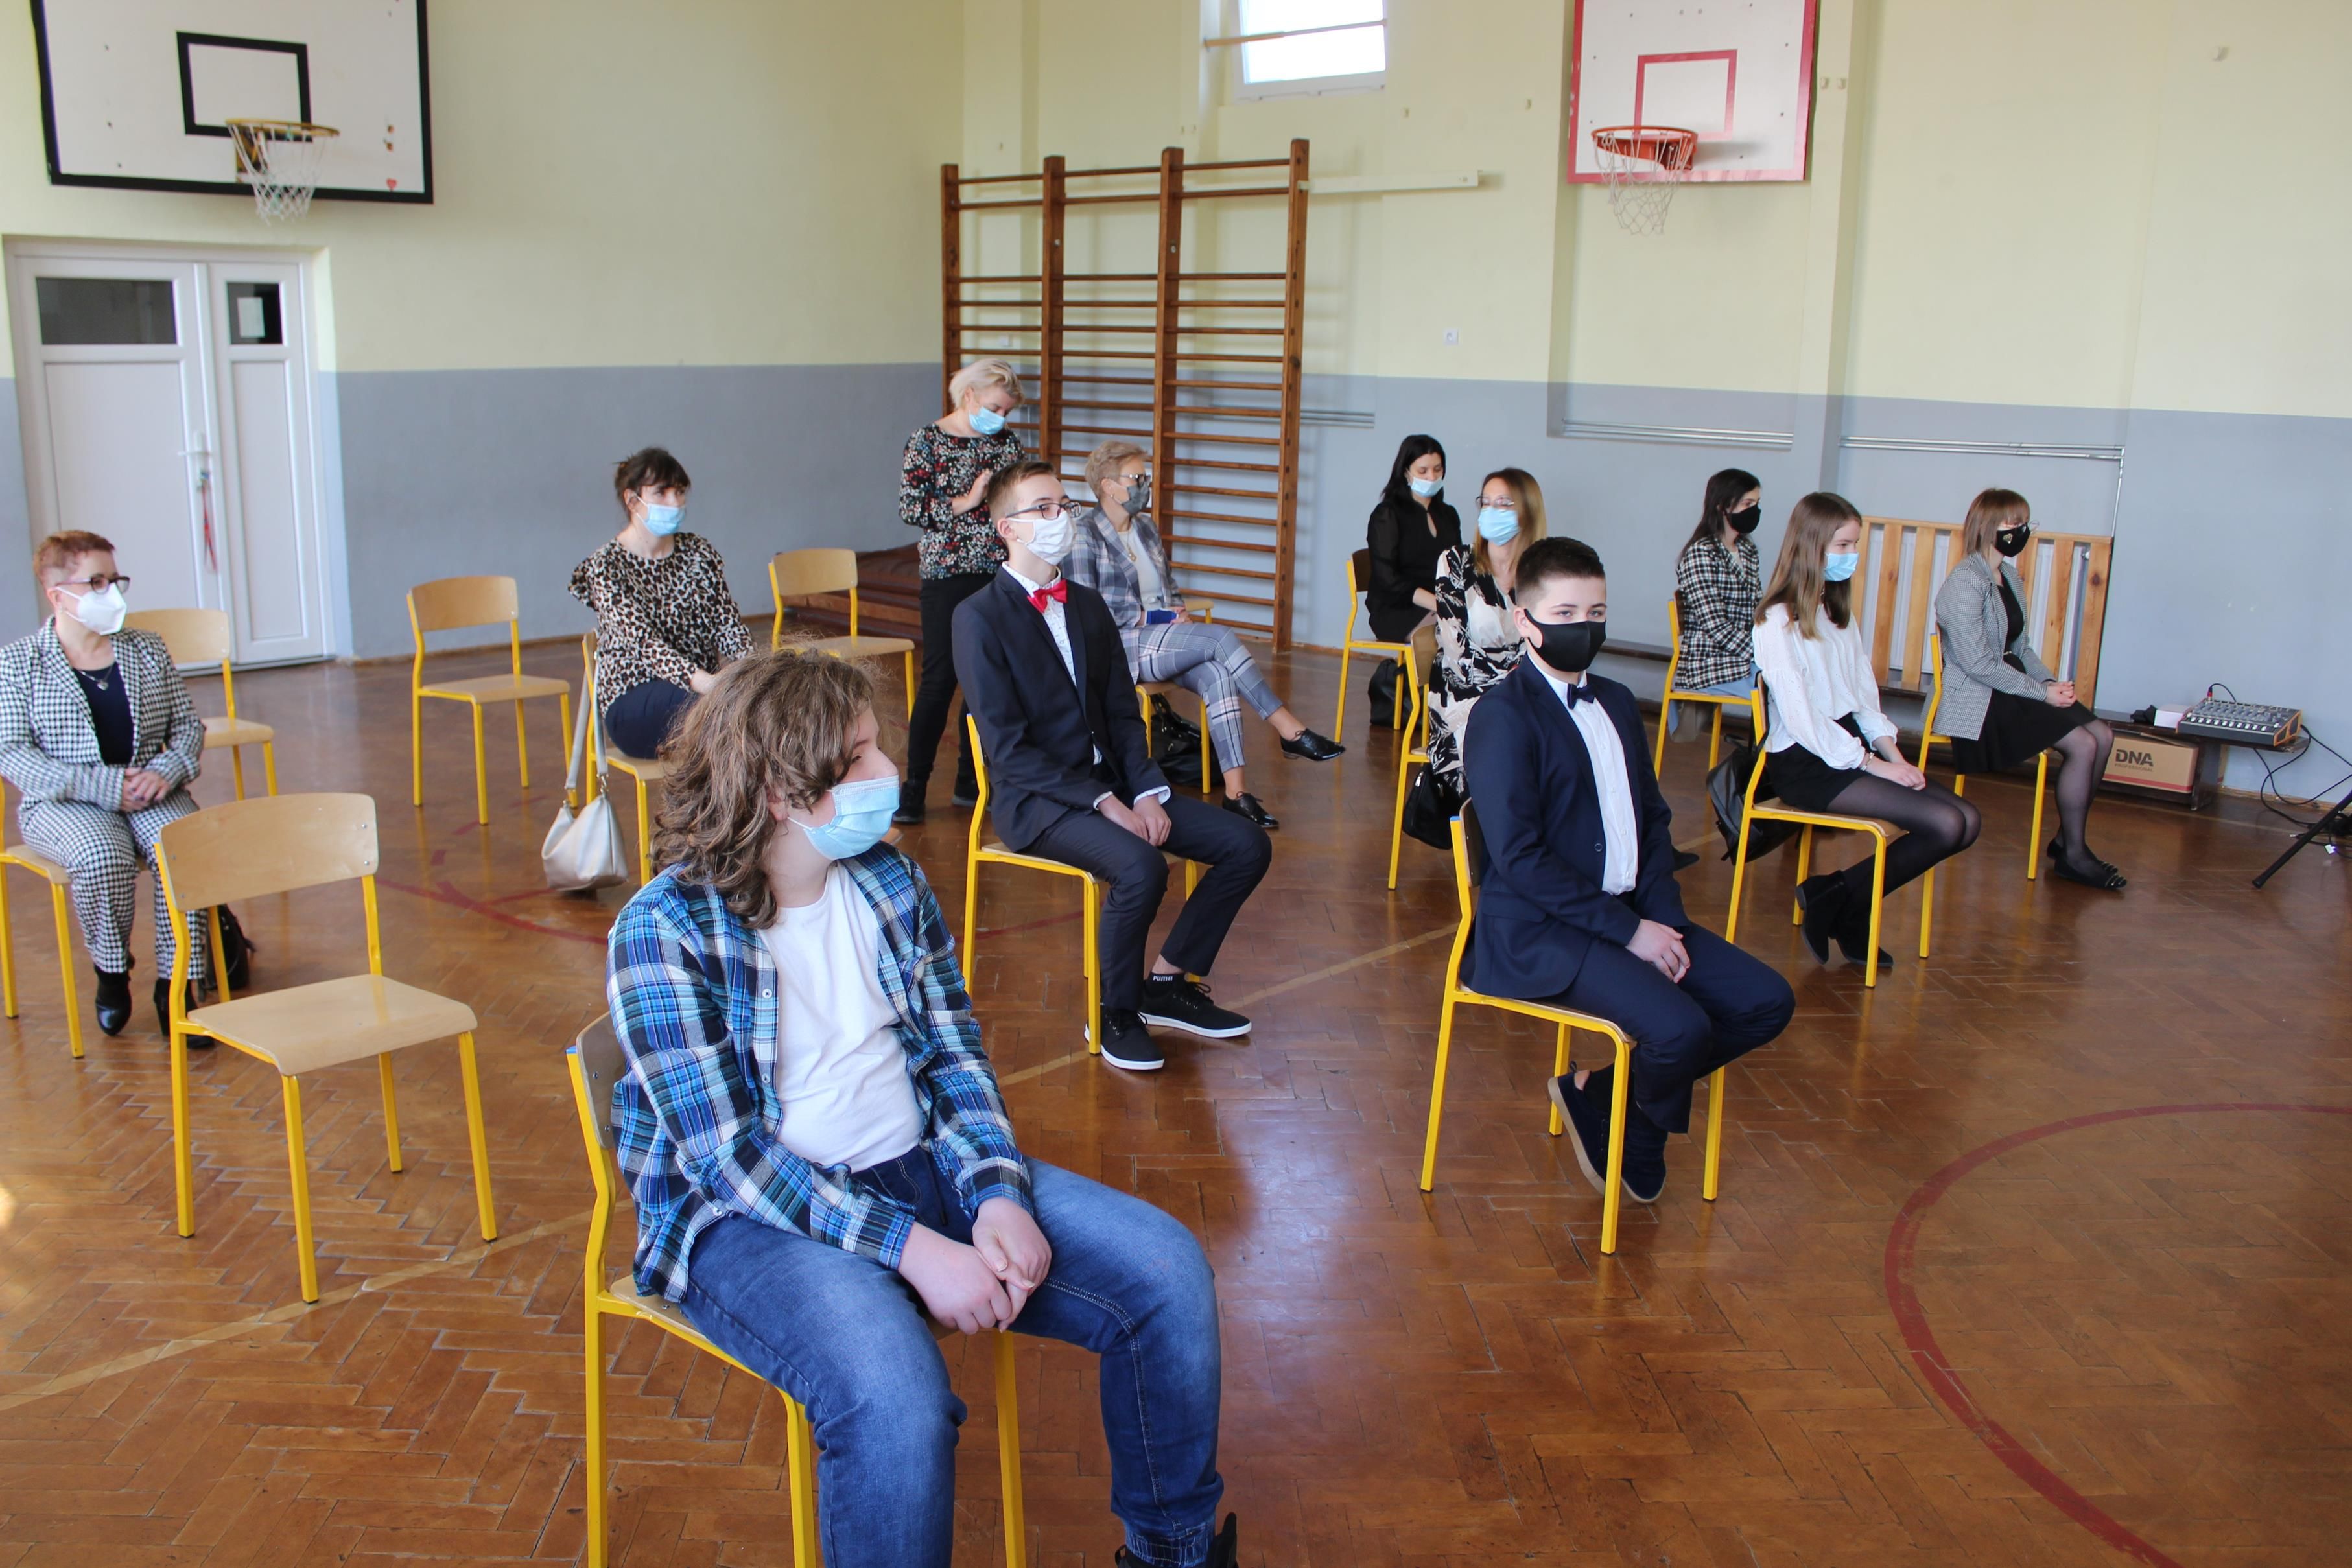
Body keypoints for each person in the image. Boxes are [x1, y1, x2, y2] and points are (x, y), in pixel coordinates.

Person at [606, 649, 1238, 1568]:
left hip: (919, 1167)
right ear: (780, 792)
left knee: (1166, 1273)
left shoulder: (887, 880)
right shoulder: (662, 926)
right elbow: (730, 1160)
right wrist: (914, 1247)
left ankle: (1173, 1554)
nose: (887, 770)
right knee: (895, 1400)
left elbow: (952, 1056)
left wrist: (996, 1192)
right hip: (747, 1223)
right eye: (858, 757)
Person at [1462, 537, 1795, 1206]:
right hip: (1540, 932)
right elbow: (1520, 859)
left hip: (1630, 912)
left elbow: (1652, 822)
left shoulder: (1615, 701)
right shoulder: (1502, 717)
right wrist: (1630, 933)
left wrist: (1662, 917)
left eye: (1596, 611)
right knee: (1680, 1029)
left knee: (1766, 1001)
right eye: (1564, 613)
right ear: (1525, 620)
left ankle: (1605, 1095)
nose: (1583, 626)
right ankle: (1639, 1134)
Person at [952, 461, 1272, 1073]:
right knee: (1140, 867)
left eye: (1064, 505)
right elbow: (1009, 751)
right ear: (1007, 528)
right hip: (1041, 803)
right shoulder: (978, 617)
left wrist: (1146, 790)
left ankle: (1166, 983)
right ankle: (1114, 1011)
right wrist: (1104, 803)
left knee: (1246, 845)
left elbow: (1124, 713)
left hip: (1119, 785)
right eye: (1044, 508)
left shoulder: (1088, 605)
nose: (1061, 518)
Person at [1064, 439, 1343, 830]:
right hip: (1122, 644)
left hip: (1162, 636)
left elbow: (1168, 587)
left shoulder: (1146, 529)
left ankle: (1237, 794)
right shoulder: (1084, 534)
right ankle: (1288, 727)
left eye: (1145, 476)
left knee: (1218, 674)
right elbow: (1089, 609)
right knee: (1219, 638)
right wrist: (1157, 616)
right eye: (1137, 478)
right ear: (1109, 486)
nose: (1145, 484)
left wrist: (1178, 612)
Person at [1754, 492, 1982, 967]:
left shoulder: (1836, 612)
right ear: (1811, 546)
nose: (1851, 555)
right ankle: (1844, 903)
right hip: (1807, 761)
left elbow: (1863, 698)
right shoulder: (1777, 618)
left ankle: (1840, 898)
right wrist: (1872, 764)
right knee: (1945, 824)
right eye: (1842, 545)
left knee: (1966, 822)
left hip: (1851, 749)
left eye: (1855, 545)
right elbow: (1802, 720)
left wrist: (1894, 757)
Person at [0, 531, 211, 1038]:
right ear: (56, 594)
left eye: (115, 580)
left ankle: (178, 985)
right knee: (102, 856)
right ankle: (112, 973)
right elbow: (12, 753)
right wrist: (104, 786)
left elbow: (187, 726)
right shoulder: (16, 663)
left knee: (186, 847)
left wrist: (168, 770)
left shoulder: (147, 648)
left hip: (151, 789)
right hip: (64, 801)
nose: (111, 592)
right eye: (96, 582)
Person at [1932, 488, 2123, 889]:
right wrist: (2042, 694)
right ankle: (2074, 855)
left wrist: (2050, 682)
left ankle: (2066, 839)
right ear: (1987, 527)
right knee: (2083, 745)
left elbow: (2021, 649)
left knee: (2103, 736)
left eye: (2025, 523)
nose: (2021, 531)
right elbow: (1978, 664)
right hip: (1981, 699)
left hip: (2012, 684)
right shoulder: (1963, 583)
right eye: (2013, 523)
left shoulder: (2010, 577)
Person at [895, 358, 1029, 825]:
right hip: (947, 574)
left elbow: (1020, 500)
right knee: (940, 679)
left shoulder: (1006, 443)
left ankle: (971, 781)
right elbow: (910, 507)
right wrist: (967, 502)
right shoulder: (927, 440)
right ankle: (914, 785)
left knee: (987, 679)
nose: (1001, 418)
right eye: (995, 407)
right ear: (969, 395)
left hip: (999, 572)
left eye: (1007, 411)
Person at [570, 447, 754, 759]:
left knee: (761, 704)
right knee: (722, 714)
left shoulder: (698, 553)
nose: (675, 502)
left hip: (707, 692)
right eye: (662, 493)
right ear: (632, 500)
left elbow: (728, 627)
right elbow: (646, 645)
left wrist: (755, 672)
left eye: (679, 492)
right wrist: (707, 683)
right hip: (634, 701)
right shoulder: (605, 566)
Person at [1428, 467, 1546, 791]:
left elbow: (1542, 646)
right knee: (1514, 740)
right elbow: (1458, 654)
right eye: (1487, 502)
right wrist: (1517, 682)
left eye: (1504, 503)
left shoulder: (1541, 573)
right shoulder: (1455, 562)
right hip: (1465, 696)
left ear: (1528, 510)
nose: (1492, 511)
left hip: (1524, 694)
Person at [1362, 434, 1461, 723]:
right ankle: (1436, 711)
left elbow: (1456, 567)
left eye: (1438, 469)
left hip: (1437, 605)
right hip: (1396, 610)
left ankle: (1454, 708)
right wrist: (1439, 605)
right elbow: (1388, 580)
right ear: (1406, 472)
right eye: (1423, 470)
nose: (1432, 477)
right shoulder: (1387, 514)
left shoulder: (1448, 515)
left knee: (1473, 625)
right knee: (1454, 632)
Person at [1671, 468, 1765, 699]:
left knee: (1794, 675)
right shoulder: (1702, 553)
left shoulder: (1748, 550)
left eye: (1757, 503)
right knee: (1781, 683)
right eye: (1747, 504)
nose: (1754, 510)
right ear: (1723, 506)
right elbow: (1716, 626)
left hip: (1741, 657)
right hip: (1710, 662)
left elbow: (1758, 608)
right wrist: (1763, 652)